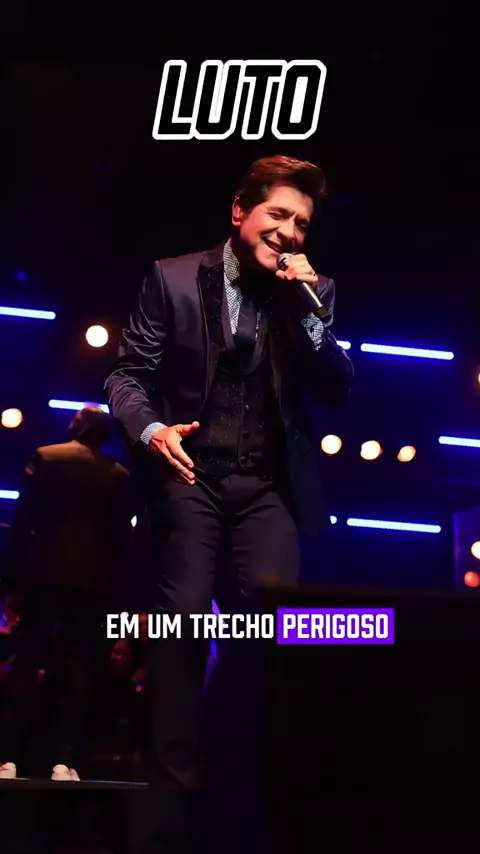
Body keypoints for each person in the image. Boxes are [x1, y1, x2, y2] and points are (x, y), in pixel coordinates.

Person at [105, 154, 354, 850]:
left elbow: (337, 385)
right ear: (241, 212)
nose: (290, 232)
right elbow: (128, 375)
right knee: (181, 631)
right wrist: (151, 430)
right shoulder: (173, 277)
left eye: (302, 223)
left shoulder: (313, 291)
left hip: (266, 486)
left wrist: (308, 310)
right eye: (278, 214)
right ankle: (166, 819)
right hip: (189, 475)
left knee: (271, 640)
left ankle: (249, 806)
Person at [0, 405, 131, 781]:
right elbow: (120, 537)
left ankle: (8, 758)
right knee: (80, 668)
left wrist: (12, 580)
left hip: (42, 574)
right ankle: (64, 761)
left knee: (27, 663)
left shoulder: (45, 456)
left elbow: (23, 521)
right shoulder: (118, 475)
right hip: (93, 582)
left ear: (75, 426)